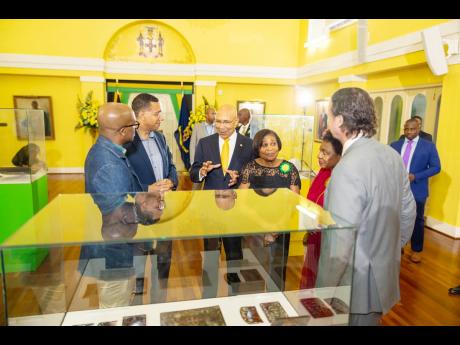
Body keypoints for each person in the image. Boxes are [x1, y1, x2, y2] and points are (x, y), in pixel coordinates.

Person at [318, 87, 416, 326]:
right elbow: (408, 213)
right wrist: (387, 252)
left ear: (339, 120)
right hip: (383, 278)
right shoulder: (391, 155)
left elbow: (339, 245)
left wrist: (321, 294)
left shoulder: (347, 167)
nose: (327, 119)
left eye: (329, 114)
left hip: (354, 287)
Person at [190, 104, 253, 262]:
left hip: (236, 209)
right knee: (210, 256)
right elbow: (193, 172)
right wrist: (202, 172)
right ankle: (209, 287)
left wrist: (239, 178)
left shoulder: (248, 144)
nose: (221, 126)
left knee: (235, 256)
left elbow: (254, 175)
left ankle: (235, 285)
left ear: (236, 121)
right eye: (218, 121)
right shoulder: (205, 143)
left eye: (226, 122)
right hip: (210, 207)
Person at [239, 129, 301, 289]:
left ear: (279, 145)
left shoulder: (289, 169)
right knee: (252, 276)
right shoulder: (249, 168)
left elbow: (294, 203)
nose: (270, 148)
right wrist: (263, 228)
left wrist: (276, 229)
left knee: (277, 275)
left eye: (273, 143)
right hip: (254, 231)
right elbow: (242, 203)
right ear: (257, 148)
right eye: (264, 145)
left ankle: (275, 311)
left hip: (281, 229)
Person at [390, 118, 441, 263]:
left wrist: (416, 176)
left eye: (412, 129)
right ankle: (397, 246)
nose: (409, 132)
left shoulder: (428, 146)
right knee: (395, 217)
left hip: (417, 189)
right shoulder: (395, 145)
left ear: (419, 129)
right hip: (396, 188)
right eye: (406, 129)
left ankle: (416, 250)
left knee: (417, 220)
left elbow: (436, 167)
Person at [299, 130, 342, 289]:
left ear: (339, 156)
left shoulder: (342, 177)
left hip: (331, 239)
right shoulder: (323, 172)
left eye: (326, 153)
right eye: (320, 151)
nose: (320, 156)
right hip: (315, 235)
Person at [125, 93, 178, 193]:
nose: (161, 118)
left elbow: (171, 166)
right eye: (156, 114)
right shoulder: (125, 143)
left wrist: (171, 181)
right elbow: (122, 182)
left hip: (163, 204)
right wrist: (147, 189)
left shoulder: (160, 137)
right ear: (141, 115)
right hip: (138, 205)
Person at [189, 106, 216, 190]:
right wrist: (193, 162)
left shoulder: (218, 128)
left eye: (215, 113)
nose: (215, 115)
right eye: (212, 113)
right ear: (206, 115)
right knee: (196, 187)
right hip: (199, 162)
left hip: (213, 163)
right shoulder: (197, 127)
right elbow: (192, 145)